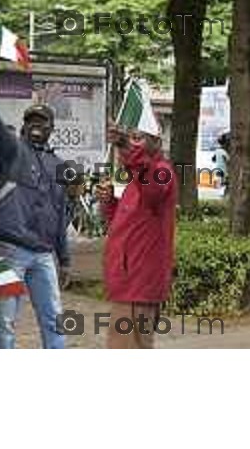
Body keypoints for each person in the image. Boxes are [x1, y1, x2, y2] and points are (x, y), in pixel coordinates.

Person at [0, 79, 71, 349]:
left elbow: (61, 215)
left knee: (54, 318)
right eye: (31, 121)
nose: (37, 125)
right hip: (7, 250)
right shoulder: (12, 150)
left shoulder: (59, 165)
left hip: (43, 255)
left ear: (52, 128)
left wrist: (64, 259)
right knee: (4, 321)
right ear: (24, 126)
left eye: (43, 121)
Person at [96, 124, 177, 349]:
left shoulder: (162, 172)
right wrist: (109, 202)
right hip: (127, 280)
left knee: (129, 346)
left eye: (139, 139)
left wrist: (125, 148)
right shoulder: (138, 178)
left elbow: (152, 191)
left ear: (157, 143)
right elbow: (122, 224)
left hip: (139, 282)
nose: (134, 144)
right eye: (132, 139)